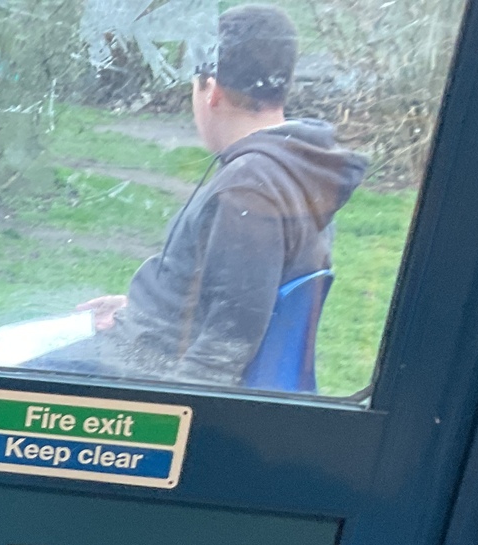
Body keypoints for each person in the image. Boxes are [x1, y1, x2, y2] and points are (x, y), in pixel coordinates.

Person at [52, 4, 367, 386]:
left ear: (212, 92)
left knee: (12, 372)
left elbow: (223, 349)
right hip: (149, 342)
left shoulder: (250, 188)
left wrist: (171, 414)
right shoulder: (294, 165)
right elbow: (232, 297)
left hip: (150, 376)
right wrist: (140, 310)